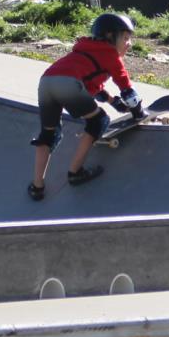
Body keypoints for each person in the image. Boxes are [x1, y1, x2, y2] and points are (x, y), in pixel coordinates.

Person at [28, 11, 143, 200]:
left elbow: (90, 87)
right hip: (68, 84)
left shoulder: (85, 49)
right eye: (126, 38)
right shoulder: (111, 55)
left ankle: (37, 186)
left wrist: (113, 101)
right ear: (110, 36)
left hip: (46, 82)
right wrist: (138, 111)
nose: (129, 44)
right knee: (98, 121)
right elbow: (127, 89)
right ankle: (75, 172)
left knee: (49, 134)